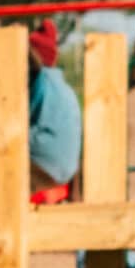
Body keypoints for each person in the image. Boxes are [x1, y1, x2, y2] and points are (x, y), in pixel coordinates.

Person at [25, 24, 82, 200]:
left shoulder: (41, 83)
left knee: (1, 153)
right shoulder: (61, 86)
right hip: (67, 168)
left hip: (46, 164)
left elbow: (18, 123)